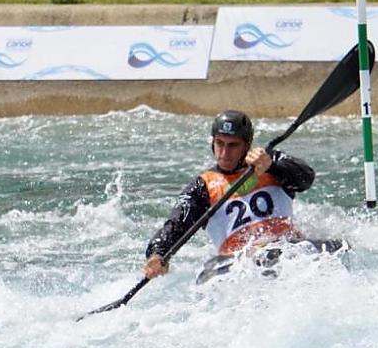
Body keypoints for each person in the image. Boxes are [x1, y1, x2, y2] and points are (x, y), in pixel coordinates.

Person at [144, 110, 344, 281]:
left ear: (246, 146)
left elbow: (306, 178)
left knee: (340, 246)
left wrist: (272, 166)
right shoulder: (202, 186)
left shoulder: (269, 162)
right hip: (239, 263)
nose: (224, 153)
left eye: (233, 145)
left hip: (286, 248)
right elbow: (175, 224)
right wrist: (157, 255)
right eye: (219, 143)